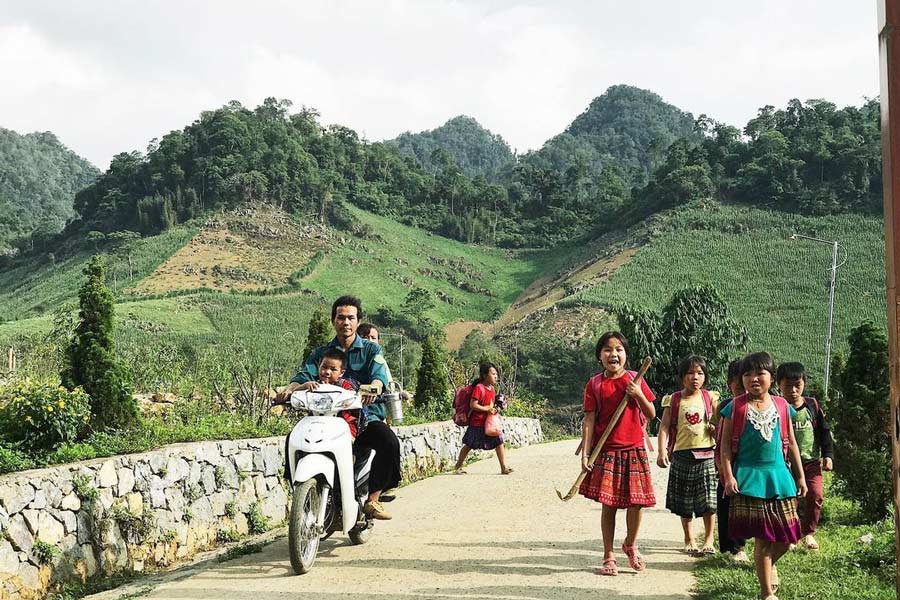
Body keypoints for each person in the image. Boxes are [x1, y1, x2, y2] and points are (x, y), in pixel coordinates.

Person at [276, 296, 401, 521]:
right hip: (326, 418)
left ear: (358, 321)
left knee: (389, 442)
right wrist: (289, 389)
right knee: (293, 439)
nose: (346, 322)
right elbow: (304, 375)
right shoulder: (322, 353)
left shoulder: (371, 350)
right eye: (341, 317)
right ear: (333, 320)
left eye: (351, 318)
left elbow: (379, 376)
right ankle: (299, 489)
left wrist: (373, 387)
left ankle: (373, 500)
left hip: (363, 416)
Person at [720, 352, 807, 600]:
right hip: (749, 479)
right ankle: (766, 592)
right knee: (762, 540)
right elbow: (725, 448)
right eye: (747, 374)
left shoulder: (782, 406)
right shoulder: (733, 408)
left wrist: (799, 476)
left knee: (789, 538)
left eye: (760, 373)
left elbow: (791, 445)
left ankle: (766, 566)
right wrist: (728, 477)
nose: (753, 379)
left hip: (780, 477)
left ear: (772, 377)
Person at [579, 331, 656, 576]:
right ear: (600, 356)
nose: (614, 354)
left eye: (619, 349)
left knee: (637, 503)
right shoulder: (594, 384)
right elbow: (589, 420)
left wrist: (638, 394)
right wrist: (585, 453)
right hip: (607, 451)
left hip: (634, 450)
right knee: (609, 505)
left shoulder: (635, 379)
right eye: (608, 350)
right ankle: (608, 554)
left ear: (626, 355)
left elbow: (652, 413)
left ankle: (630, 545)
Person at [657, 356, 720, 556]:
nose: (695, 377)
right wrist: (660, 451)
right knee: (685, 503)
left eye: (700, 373)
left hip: (707, 454)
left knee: (709, 501)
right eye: (690, 373)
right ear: (682, 377)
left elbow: (721, 424)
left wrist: (714, 427)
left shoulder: (710, 398)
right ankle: (689, 538)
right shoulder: (674, 400)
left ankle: (709, 539)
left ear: (705, 377)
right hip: (681, 455)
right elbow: (664, 427)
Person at [776, 361, 834, 552]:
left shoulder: (812, 405)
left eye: (797, 385)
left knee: (815, 495)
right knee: (789, 499)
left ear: (804, 384)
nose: (793, 390)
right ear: (778, 386)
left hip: (811, 462)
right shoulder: (777, 407)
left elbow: (824, 432)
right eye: (787, 386)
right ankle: (791, 536)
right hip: (785, 464)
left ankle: (807, 532)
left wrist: (828, 455)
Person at [275, 348, 360, 476]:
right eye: (324, 367)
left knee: (347, 448)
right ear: (319, 365)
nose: (327, 372)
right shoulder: (314, 385)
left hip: (343, 426)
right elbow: (296, 393)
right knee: (292, 437)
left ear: (341, 372)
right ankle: (291, 475)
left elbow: (355, 397)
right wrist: (304, 386)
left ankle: (348, 476)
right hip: (316, 425)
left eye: (333, 369)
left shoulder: (346, 386)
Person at [713, 359, 749, 563]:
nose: (741, 386)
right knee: (726, 504)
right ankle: (730, 547)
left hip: (749, 464)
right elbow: (719, 436)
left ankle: (741, 544)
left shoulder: (764, 405)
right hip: (726, 462)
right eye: (736, 381)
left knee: (745, 505)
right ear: (730, 383)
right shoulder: (725, 407)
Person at [452, 362, 513, 475]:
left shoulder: (492, 389)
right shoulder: (479, 388)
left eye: (496, 374)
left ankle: (503, 467)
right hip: (477, 423)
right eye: (493, 374)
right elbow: (473, 405)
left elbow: (490, 405)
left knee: (499, 441)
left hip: (488, 423)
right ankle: (458, 465)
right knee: (469, 444)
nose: (496, 376)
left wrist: (495, 409)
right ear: (485, 375)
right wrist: (487, 409)